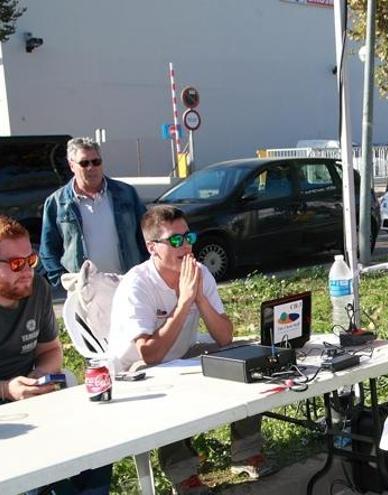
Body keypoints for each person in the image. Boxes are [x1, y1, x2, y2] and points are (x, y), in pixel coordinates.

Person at [107, 205, 273, 494]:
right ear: (152, 248)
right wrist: (184, 302)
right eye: (174, 240)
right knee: (161, 387)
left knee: (244, 356)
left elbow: (224, 337)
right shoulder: (138, 284)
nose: (185, 246)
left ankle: (245, 454)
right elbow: (150, 354)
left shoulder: (200, 273)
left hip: (180, 355)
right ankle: (183, 476)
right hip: (135, 372)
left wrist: (199, 298)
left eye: (188, 237)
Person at [0, 214, 112, 494]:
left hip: (32, 396)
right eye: (16, 263)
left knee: (102, 437)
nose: (26, 270)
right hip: (9, 413)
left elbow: (50, 350)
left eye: (31, 260)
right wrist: (7, 389)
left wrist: (39, 376)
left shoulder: (36, 288)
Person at [40, 137, 148, 286]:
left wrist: (146, 272)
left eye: (96, 162)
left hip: (126, 284)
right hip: (84, 291)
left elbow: (147, 236)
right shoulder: (57, 203)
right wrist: (62, 282)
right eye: (84, 163)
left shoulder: (126, 194)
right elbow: (48, 250)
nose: (91, 167)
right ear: (72, 165)